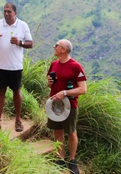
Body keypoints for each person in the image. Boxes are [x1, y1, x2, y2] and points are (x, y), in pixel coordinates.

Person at [0, 2, 33, 133]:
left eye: (9, 11)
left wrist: (20, 42)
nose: (6, 14)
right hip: (0, 65)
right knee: (0, 92)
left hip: (15, 66)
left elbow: (30, 43)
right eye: (5, 11)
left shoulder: (22, 25)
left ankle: (18, 120)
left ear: (15, 13)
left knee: (16, 92)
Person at [46, 39, 87, 174]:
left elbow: (82, 89)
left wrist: (64, 92)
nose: (54, 47)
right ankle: (60, 159)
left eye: (56, 45)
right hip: (54, 104)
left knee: (71, 132)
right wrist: (49, 82)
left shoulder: (76, 66)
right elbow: (49, 84)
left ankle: (72, 160)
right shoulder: (53, 64)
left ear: (63, 49)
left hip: (70, 105)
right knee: (57, 131)